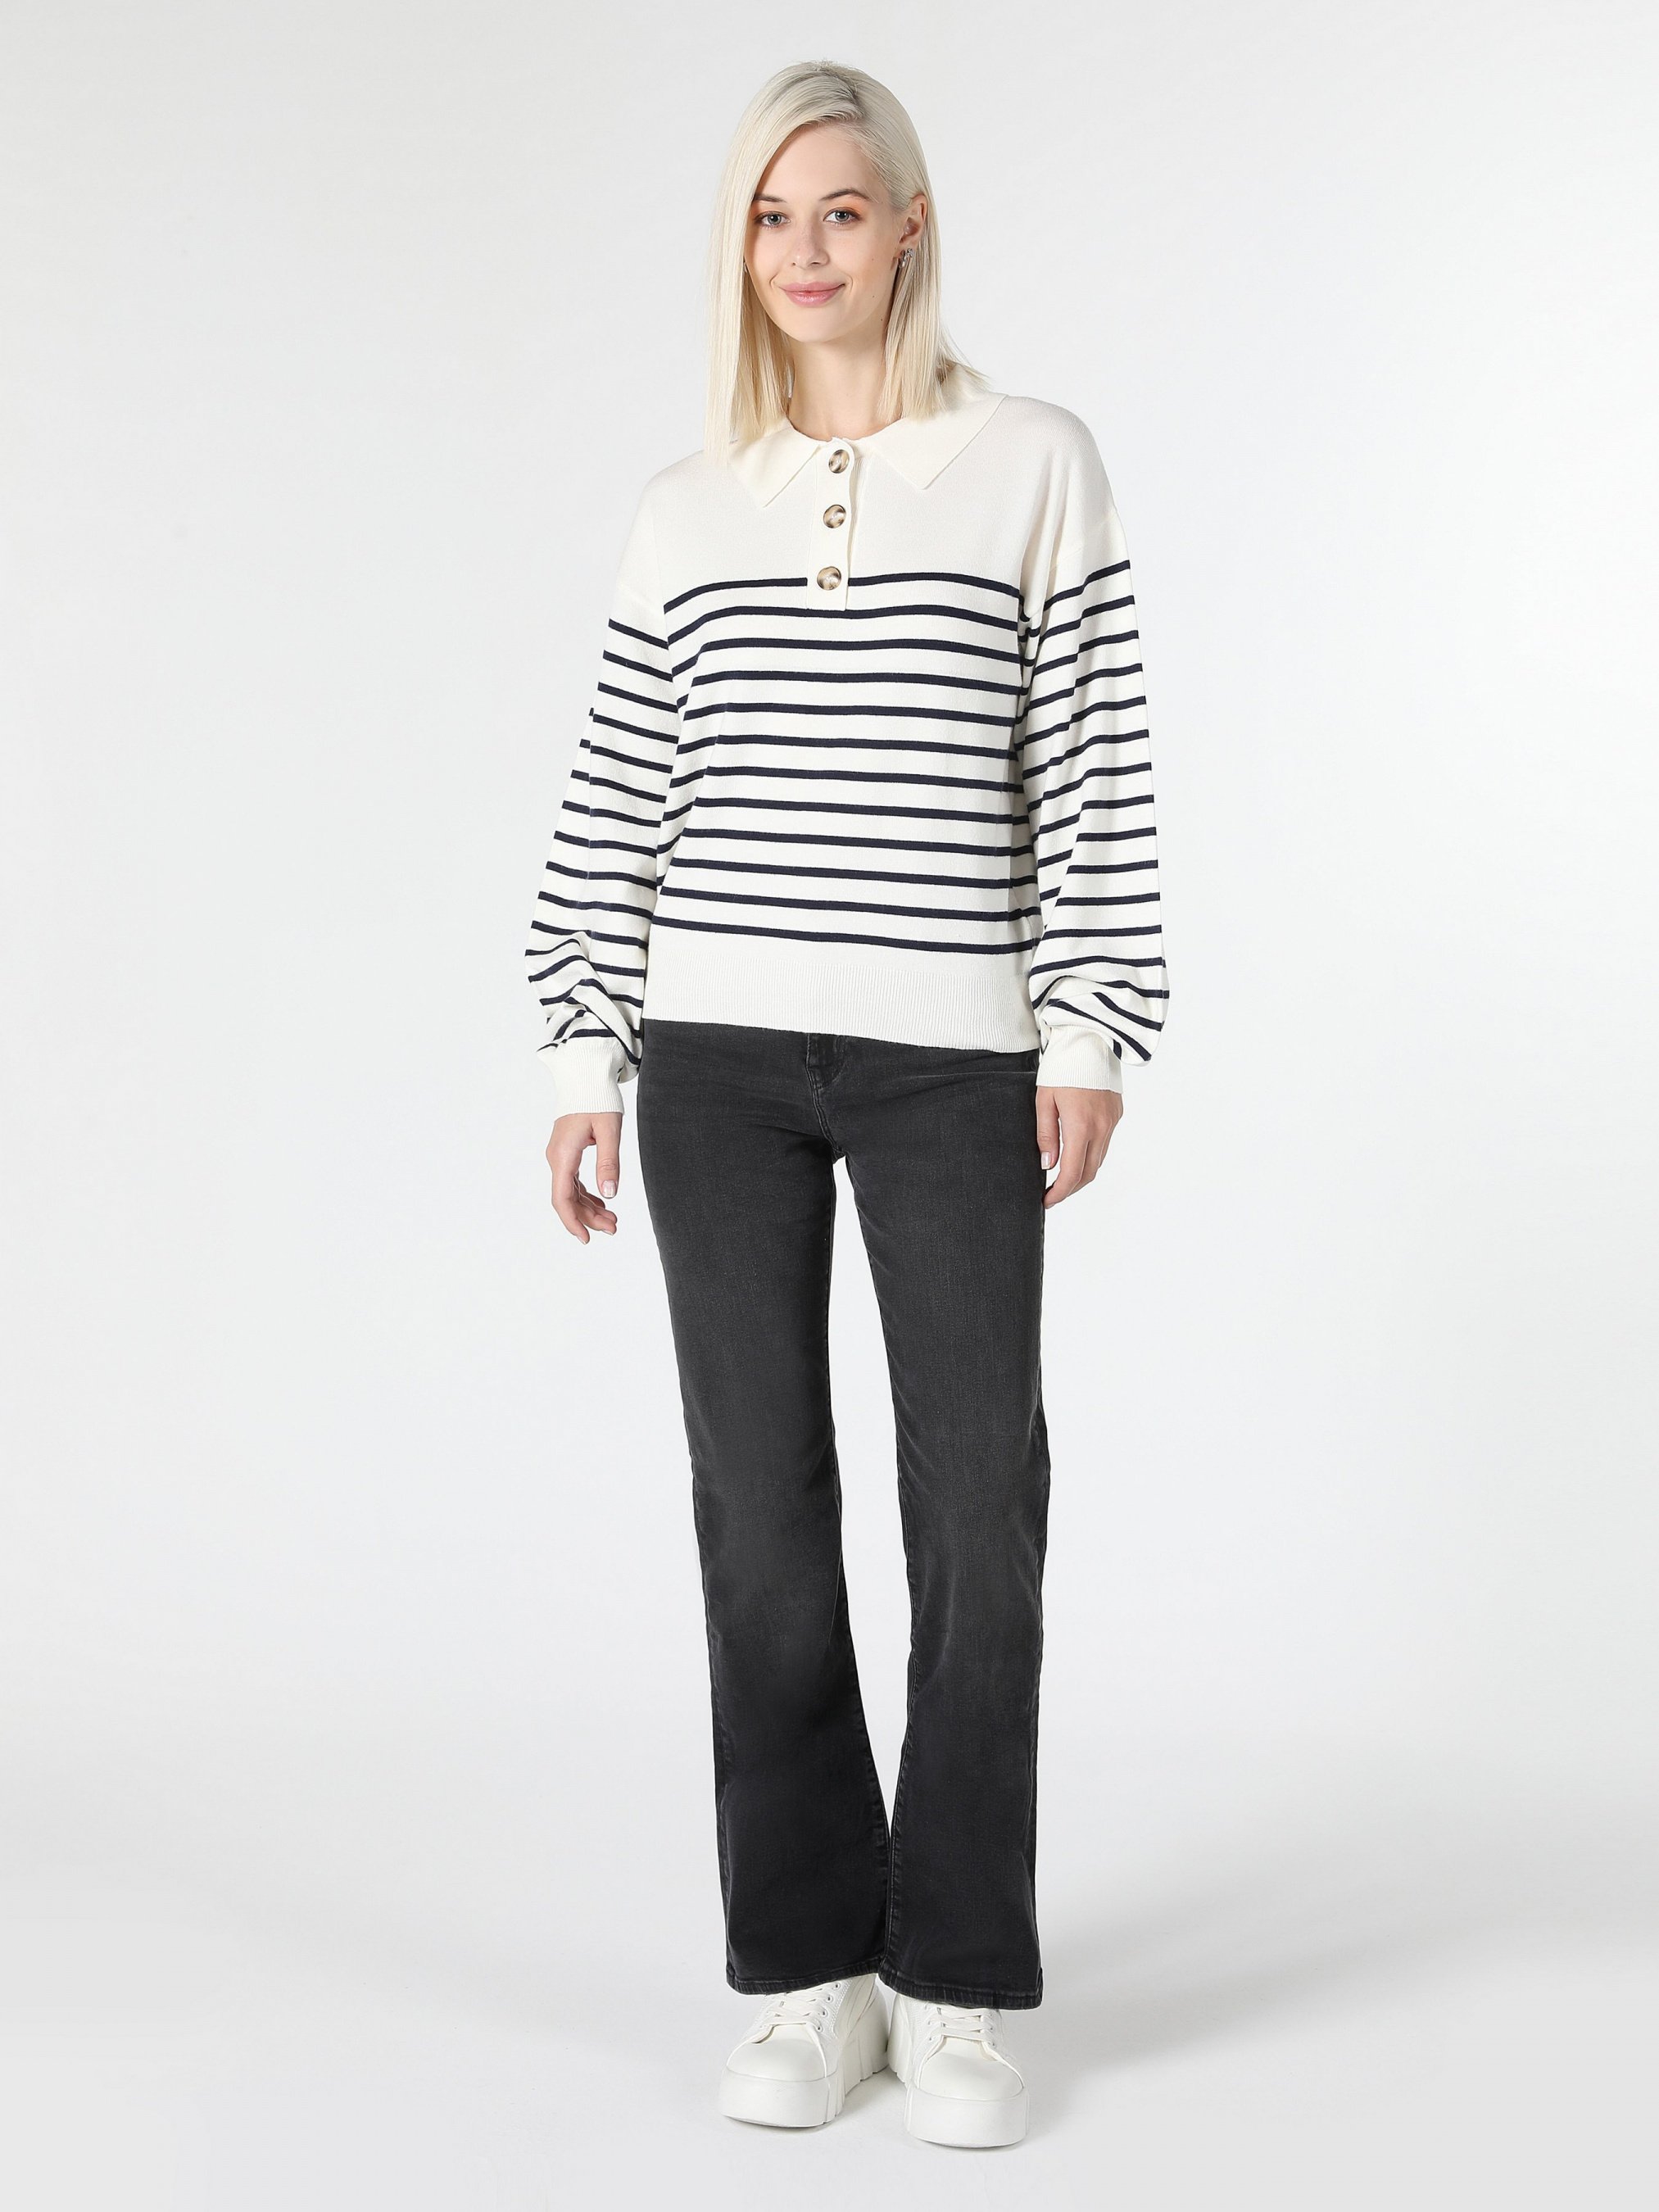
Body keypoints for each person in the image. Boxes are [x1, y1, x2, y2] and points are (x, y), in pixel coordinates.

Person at [524, 58, 1168, 2148]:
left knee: (976, 1506)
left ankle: (952, 1977)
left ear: (907, 225)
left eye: (838, 208)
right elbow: (619, 790)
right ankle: (811, 1969)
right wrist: (581, 1051)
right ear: (739, 245)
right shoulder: (685, 508)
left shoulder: (1030, 464)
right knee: (761, 1515)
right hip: (712, 1066)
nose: (801, 250)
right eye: (766, 214)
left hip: (950, 1058)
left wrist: (1087, 1031)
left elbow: (1088, 762)